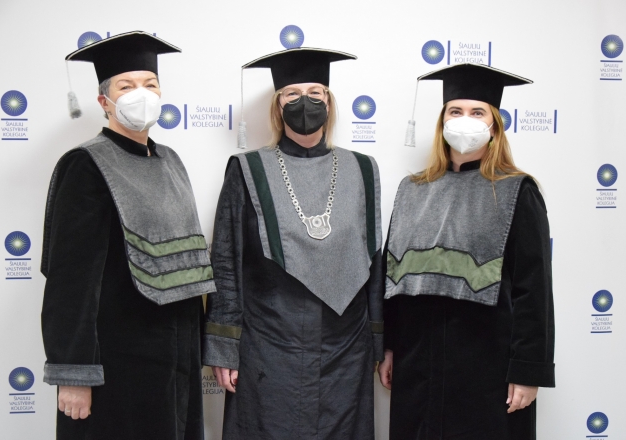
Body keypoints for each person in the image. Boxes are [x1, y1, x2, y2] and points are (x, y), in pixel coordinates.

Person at [40, 31, 216, 440]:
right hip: (119, 359)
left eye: (150, 84)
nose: (142, 94)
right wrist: (75, 374)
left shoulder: (171, 161)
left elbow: (188, 266)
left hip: (177, 357)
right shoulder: (87, 165)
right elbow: (71, 280)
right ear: (104, 101)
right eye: (127, 86)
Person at [203, 47, 384, 439]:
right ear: (278, 105)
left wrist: (379, 341)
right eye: (293, 94)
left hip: (346, 348)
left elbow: (374, 260)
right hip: (268, 343)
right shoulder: (248, 169)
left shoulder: (363, 169)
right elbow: (226, 261)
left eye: (316, 93)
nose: (306, 101)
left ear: (329, 103)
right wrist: (223, 346)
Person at [378, 63, 555, 440]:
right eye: (455, 111)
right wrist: (389, 347)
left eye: (477, 113)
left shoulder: (516, 191)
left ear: (494, 126)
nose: (464, 120)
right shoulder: (412, 191)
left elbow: (533, 289)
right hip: (418, 361)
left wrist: (527, 370)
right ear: (442, 121)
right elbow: (392, 276)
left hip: (486, 365)